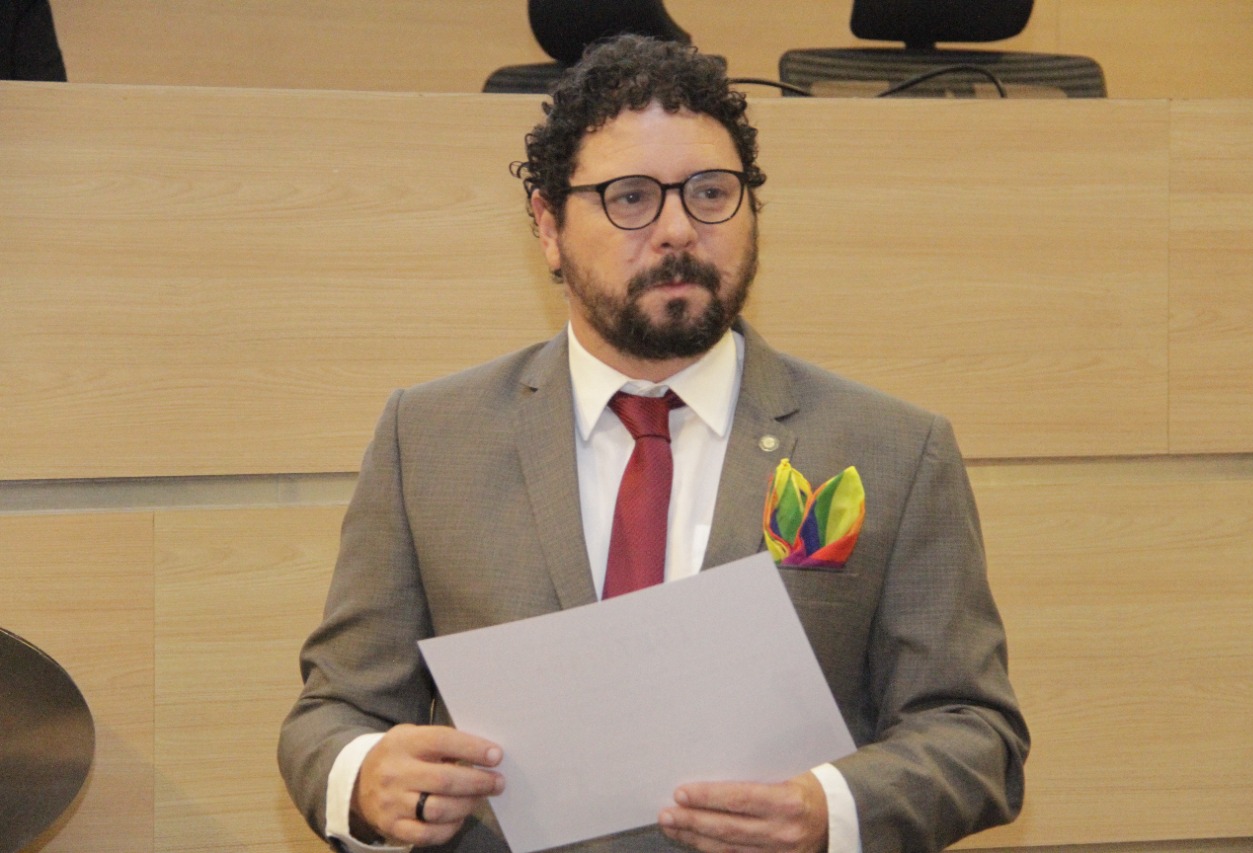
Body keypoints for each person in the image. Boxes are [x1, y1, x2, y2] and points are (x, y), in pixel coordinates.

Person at [279, 34, 1029, 853]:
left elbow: (973, 730)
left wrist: (830, 811)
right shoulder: (428, 438)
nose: (678, 229)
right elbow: (332, 712)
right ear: (548, 227)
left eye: (711, 192)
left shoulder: (896, 449)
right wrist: (363, 778)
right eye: (630, 197)